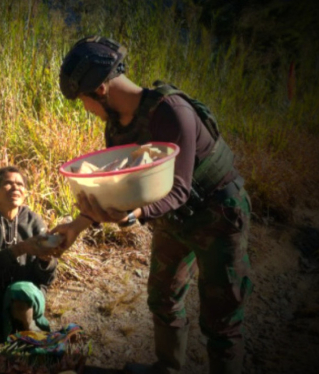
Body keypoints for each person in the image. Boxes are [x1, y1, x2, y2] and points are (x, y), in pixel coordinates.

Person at [51, 36, 253, 374]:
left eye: (83, 100)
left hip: (218, 212)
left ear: (100, 90)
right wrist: (76, 226)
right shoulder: (117, 130)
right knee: (164, 299)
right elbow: (119, 190)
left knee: (222, 318)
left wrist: (136, 214)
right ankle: (168, 367)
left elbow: (179, 190)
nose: (86, 110)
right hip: (171, 219)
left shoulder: (172, 112)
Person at [0, 165, 61, 345]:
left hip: (27, 295)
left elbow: (48, 277)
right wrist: (20, 248)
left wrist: (46, 260)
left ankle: (26, 328)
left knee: (19, 292)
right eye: (8, 184)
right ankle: (6, 328)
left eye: (20, 184)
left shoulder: (34, 221)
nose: (16, 188)